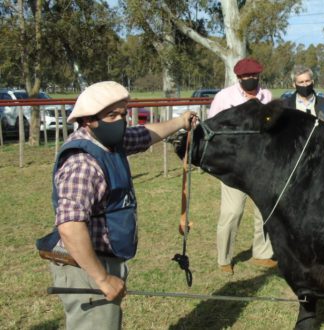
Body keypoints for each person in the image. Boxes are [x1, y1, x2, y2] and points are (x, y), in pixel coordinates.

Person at [36, 81, 196, 329]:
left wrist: (181, 122)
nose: (121, 121)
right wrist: (101, 278)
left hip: (102, 260)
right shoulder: (82, 163)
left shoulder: (111, 141)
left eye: (123, 113)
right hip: (85, 266)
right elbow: (69, 226)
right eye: (112, 115)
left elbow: (146, 135)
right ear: (89, 119)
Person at [208, 58, 277, 273]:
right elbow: (212, 128)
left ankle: (263, 253)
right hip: (234, 164)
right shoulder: (224, 97)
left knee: (263, 210)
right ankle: (224, 258)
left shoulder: (267, 96)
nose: (250, 79)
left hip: (261, 164)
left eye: (254, 76)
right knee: (232, 212)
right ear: (238, 78)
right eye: (245, 77)